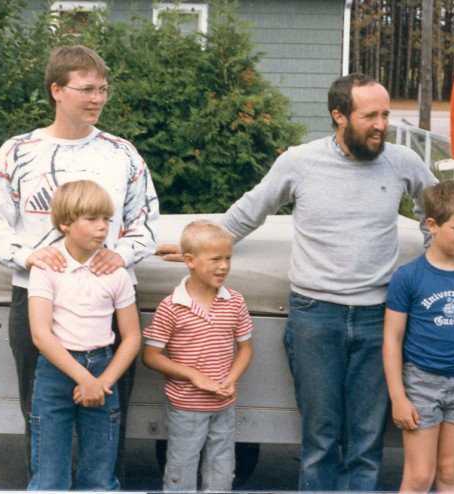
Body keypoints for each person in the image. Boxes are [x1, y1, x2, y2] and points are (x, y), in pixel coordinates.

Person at [158, 73, 437, 490]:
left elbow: (439, 209)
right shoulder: (300, 162)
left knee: (365, 441)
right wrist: (196, 248)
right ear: (339, 115)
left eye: (385, 114)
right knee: (320, 439)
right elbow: (250, 210)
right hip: (314, 316)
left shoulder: (403, 162)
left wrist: (435, 258)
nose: (382, 125)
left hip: (379, 319)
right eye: (370, 116)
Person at [0, 45, 159, 481]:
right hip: (37, 300)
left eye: (104, 90)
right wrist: (27, 255)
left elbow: (146, 222)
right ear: (57, 90)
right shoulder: (17, 151)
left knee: (108, 417)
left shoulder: (122, 153)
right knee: (41, 415)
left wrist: (121, 253)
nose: (97, 98)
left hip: (108, 301)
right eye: (87, 89)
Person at [383, 180, 454, 493]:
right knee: (420, 476)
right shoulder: (408, 277)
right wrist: (398, 397)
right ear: (432, 225)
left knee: (450, 473)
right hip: (421, 384)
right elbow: (392, 339)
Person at [26, 180, 142, 490]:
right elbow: (41, 334)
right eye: (91, 219)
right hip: (56, 370)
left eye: (106, 219)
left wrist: (101, 382)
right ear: (65, 223)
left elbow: (131, 337)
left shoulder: (115, 272)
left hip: (104, 371)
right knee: (49, 477)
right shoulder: (46, 268)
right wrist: (84, 379)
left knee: (99, 476)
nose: (102, 227)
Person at [143, 220, 254, 491]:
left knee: (222, 472)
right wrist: (194, 376)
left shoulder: (235, 301)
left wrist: (231, 378)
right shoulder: (171, 307)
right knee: (181, 471)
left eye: (228, 258)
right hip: (186, 407)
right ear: (190, 260)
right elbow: (151, 356)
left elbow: (246, 348)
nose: (224, 266)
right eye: (216, 259)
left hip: (224, 405)